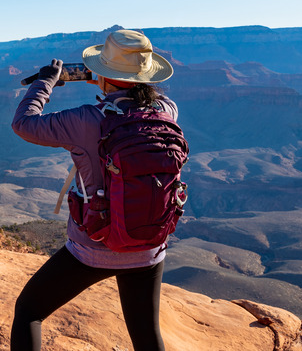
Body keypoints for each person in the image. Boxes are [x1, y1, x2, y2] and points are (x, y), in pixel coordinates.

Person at [10, 29, 177, 351]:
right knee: (146, 335)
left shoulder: (87, 120)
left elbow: (24, 124)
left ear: (103, 74)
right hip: (148, 248)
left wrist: (46, 81)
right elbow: (146, 97)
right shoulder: (166, 112)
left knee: (29, 312)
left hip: (94, 248)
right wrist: (108, 75)